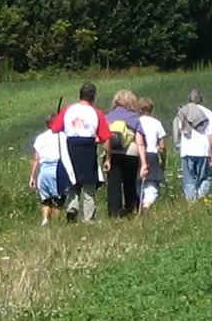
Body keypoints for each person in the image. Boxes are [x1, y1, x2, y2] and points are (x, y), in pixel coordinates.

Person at [49, 83, 109, 222]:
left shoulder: (67, 110)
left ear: (80, 94)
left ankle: (72, 207)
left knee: (73, 180)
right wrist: (108, 157)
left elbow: (54, 128)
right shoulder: (96, 112)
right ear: (93, 96)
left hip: (70, 146)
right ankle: (89, 218)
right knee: (89, 184)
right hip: (88, 147)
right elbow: (106, 137)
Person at [102, 89, 149, 218]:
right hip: (131, 153)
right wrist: (144, 162)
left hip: (113, 153)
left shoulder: (108, 117)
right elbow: (140, 141)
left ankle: (114, 212)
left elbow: (104, 137)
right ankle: (131, 208)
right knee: (130, 182)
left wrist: (107, 156)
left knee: (113, 184)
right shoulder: (135, 118)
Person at [175, 88, 212, 201]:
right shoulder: (208, 113)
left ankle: (192, 203)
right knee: (206, 178)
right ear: (201, 99)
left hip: (186, 151)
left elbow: (178, 132)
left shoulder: (182, 112)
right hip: (203, 151)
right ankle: (201, 198)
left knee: (189, 180)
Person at [28, 121, 73, 226]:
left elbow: (36, 158)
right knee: (58, 199)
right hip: (58, 169)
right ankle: (56, 223)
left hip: (44, 171)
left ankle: (45, 220)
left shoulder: (41, 138)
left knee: (46, 199)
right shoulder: (63, 136)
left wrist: (32, 177)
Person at [136, 97, 167, 212]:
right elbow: (162, 146)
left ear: (138, 109)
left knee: (138, 182)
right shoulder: (157, 123)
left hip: (137, 153)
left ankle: (141, 202)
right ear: (151, 109)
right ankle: (147, 204)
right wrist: (163, 161)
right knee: (152, 183)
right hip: (152, 154)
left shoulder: (136, 122)